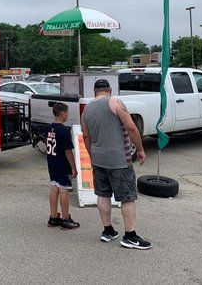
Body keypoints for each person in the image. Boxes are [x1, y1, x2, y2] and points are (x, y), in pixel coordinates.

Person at [81, 79, 151, 250]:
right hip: (119, 159)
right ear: (110, 90)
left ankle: (108, 230)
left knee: (103, 194)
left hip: (98, 159)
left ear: (94, 91)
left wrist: (92, 156)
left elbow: (86, 137)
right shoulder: (115, 102)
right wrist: (140, 149)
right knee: (127, 196)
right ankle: (130, 236)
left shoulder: (86, 110)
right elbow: (131, 127)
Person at [46, 102, 80, 230]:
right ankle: (66, 218)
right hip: (62, 164)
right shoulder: (64, 131)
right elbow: (68, 151)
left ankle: (53, 216)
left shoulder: (50, 128)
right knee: (64, 190)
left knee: (54, 187)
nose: (68, 115)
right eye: (67, 112)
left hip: (52, 163)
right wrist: (74, 167)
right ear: (62, 114)